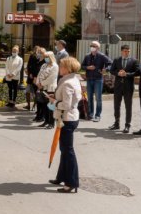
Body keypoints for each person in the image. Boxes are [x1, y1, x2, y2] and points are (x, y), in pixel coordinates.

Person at [47, 57, 82, 193]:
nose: (59, 68)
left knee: (68, 151)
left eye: (61, 66)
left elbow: (66, 105)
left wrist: (54, 102)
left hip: (67, 119)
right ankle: (61, 177)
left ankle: (72, 182)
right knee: (64, 149)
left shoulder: (67, 83)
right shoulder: (72, 79)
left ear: (67, 68)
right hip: (69, 118)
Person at [108, 45, 140, 133]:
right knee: (116, 106)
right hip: (118, 86)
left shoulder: (134, 60)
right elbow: (111, 70)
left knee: (128, 106)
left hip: (128, 87)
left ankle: (127, 125)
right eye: (125, 51)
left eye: (128, 51)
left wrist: (127, 74)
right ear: (121, 51)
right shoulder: (116, 59)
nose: (127, 53)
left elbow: (137, 72)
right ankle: (116, 123)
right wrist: (118, 73)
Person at [81, 41, 112, 122]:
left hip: (98, 79)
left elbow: (110, 63)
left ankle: (97, 115)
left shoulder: (102, 56)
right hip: (89, 79)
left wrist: (106, 69)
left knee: (98, 98)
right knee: (90, 97)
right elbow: (82, 66)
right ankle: (91, 114)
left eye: (94, 46)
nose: (92, 47)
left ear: (98, 47)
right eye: (91, 45)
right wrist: (88, 67)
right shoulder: (87, 56)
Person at [36, 51, 58, 129]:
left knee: (50, 106)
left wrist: (42, 84)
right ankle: (46, 121)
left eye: (47, 57)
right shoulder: (44, 65)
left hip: (50, 88)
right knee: (44, 105)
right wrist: (38, 83)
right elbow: (39, 74)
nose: (45, 59)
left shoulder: (55, 66)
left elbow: (51, 78)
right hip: (42, 87)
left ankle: (51, 123)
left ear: (51, 57)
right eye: (44, 57)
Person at [26, 46, 44, 113]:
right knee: (28, 91)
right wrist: (30, 73)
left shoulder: (42, 58)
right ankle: (28, 105)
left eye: (38, 50)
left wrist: (37, 77)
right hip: (31, 77)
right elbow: (29, 65)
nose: (37, 51)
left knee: (36, 92)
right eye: (36, 50)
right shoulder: (32, 56)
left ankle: (34, 105)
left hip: (37, 77)